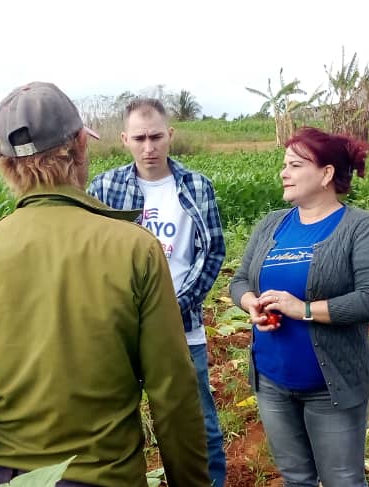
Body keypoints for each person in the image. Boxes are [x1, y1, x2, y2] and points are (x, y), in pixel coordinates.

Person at [0, 82, 210, 487]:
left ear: (5, 164)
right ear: (80, 145)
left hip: (9, 477)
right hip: (106, 477)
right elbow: (172, 392)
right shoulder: (135, 249)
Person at [229, 127, 369, 486]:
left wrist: (303, 309)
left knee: (342, 479)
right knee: (295, 478)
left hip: (330, 384)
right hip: (271, 380)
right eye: (284, 165)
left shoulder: (360, 228)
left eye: (295, 165)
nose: (283, 173)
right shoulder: (271, 224)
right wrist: (251, 303)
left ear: (326, 174)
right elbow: (240, 280)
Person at [87, 98, 227, 486]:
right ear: (124, 140)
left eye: (156, 137)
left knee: (197, 427)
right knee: (113, 423)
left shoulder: (197, 186)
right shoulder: (104, 187)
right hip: (121, 330)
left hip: (183, 328)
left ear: (170, 135)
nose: (149, 147)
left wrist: (172, 308)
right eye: (139, 139)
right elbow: (92, 256)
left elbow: (212, 252)